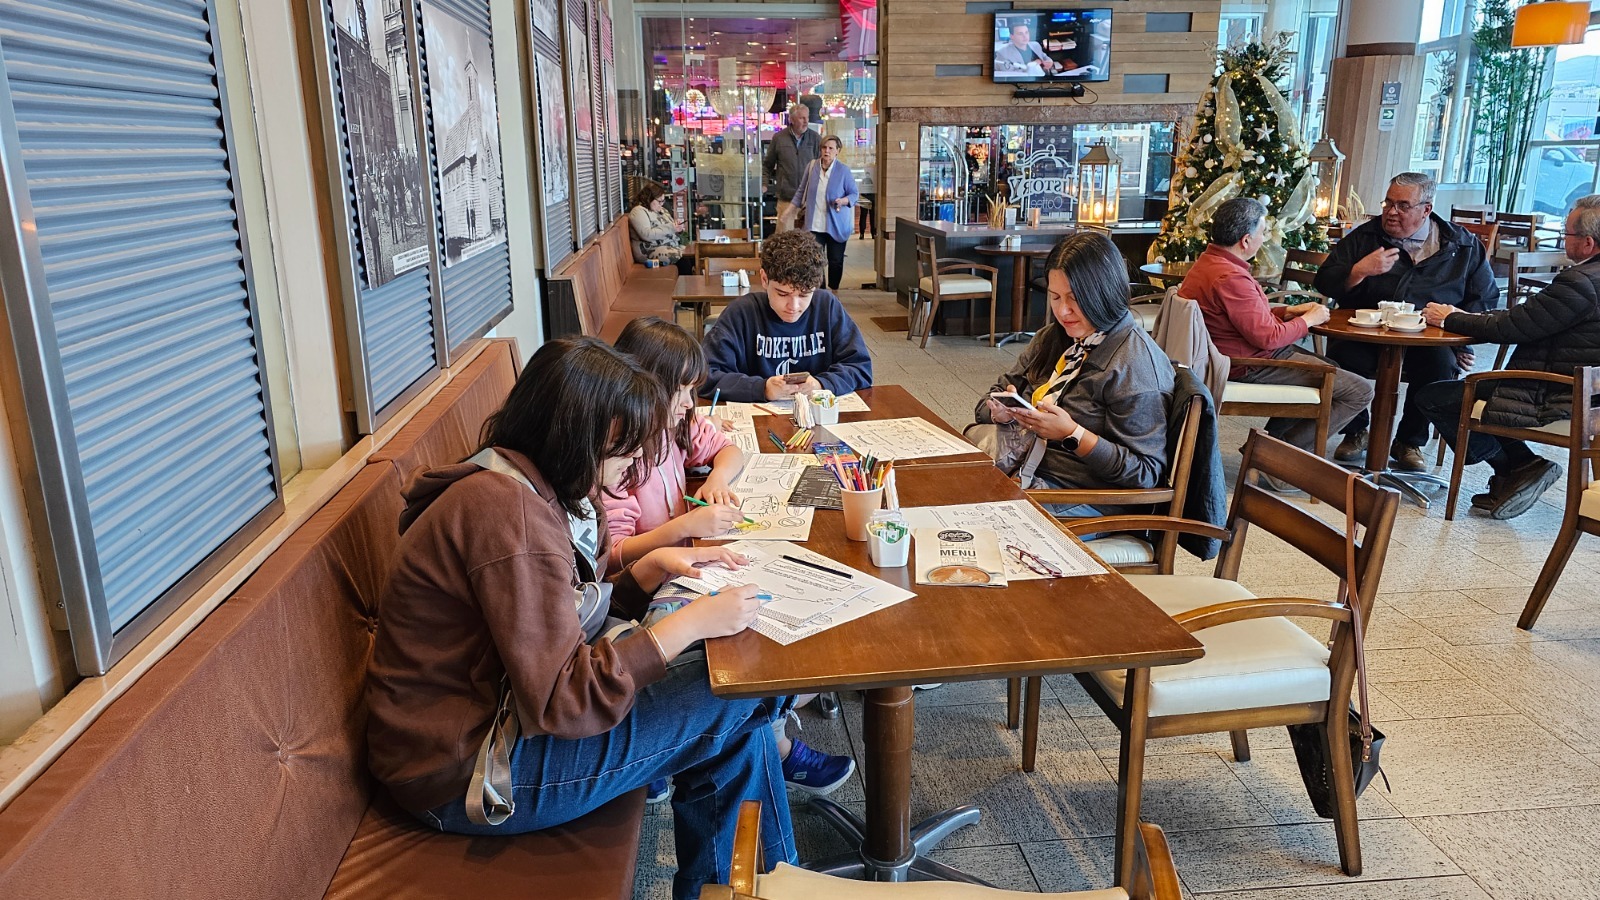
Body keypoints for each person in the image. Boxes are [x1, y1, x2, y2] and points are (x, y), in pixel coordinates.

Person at [365, 337, 795, 900]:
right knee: (736, 691)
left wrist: (648, 572)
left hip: (494, 724)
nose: (633, 470)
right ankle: (781, 884)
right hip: (466, 771)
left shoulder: (518, 483)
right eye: (625, 454)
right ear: (583, 439)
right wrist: (685, 626)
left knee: (738, 718)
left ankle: (759, 888)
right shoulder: (509, 518)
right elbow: (560, 699)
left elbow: (560, 617)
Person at [605, 317, 856, 799]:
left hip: (690, 562)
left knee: (770, 605)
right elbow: (614, 559)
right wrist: (681, 528)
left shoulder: (672, 426)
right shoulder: (624, 451)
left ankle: (760, 732)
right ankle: (764, 745)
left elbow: (728, 449)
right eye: (680, 390)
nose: (688, 403)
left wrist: (717, 479)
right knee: (740, 655)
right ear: (642, 384)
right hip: (649, 587)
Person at [1415, 194, 1600, 519]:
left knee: (1434, 396)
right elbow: (1532, 317)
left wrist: (1449, 317)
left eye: (1566, 234)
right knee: (1464, 390)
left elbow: (1513, 326)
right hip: (1587, 390)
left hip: (1552, 390)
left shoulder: (1580, 282)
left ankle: (1520, 466)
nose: (1562, 239)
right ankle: (1510, 476)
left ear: (1587, 243)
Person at [971, 232, 1174, 514]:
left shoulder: (1134, 365)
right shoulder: (1054, 339)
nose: (1063, 311)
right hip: (1025, 471)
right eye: (1055, 297)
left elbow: (1144, 474)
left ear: (1104, 293)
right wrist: (1000, 411)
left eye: (1075, 298)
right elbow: (988, 399)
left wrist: (1073, 434)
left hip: (1085, 496)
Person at [1313, 172, 1499, 471]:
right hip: (1367, 335)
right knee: (1342, 358)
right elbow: (1324, 282)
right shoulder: (1365, 238)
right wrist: (1359, 271)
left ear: (1426, 209)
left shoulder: (1461, 245)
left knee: (1441, 367)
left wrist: (1463, 335)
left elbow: (1485, 297)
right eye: (1388, 202)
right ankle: (1356, 431)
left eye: (1402, 205)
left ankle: (1408, 441)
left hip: (1427, 339)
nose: (1391, 212)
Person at [1182, 197, 1373, 466]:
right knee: (1361, 391)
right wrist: (1308, 320)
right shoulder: (1231, 277)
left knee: (1328, 365)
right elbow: (1267, 337)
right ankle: (1275, 460)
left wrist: (1286, 313)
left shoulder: (1208, 264)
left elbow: (1238, 319)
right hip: (1248, 363)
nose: (1264, 237)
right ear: (1245, 240)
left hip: (1235, 353)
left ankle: (1267, 443)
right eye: (1262, 231)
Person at [702, 230, 873, 402]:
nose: (793, 306)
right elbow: (704, 376)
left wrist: (821, 384)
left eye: (804, 295)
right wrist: (762, 388)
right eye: (782, 294)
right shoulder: (741, 314)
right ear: (764, 279)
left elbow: (861, 368)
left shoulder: (827, 307)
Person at [790, 135, 860, 292]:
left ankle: (833, 290)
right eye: (824, 148)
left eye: (830, 148)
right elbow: (801, 191)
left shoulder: (843, 171)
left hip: (836, 224)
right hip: (814, 224)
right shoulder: (812, 167)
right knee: (815, 260)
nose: (826, 151)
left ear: (837, 151)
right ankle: (820, 292)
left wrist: (843, 201)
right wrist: (790, 209)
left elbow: (854, 194)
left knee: (835, 260)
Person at [763, 104, 820, 233]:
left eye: (807, 118)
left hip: (808, 200)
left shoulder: (815, 138)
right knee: (784, 240)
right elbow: (767, 165)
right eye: (801, 118)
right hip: (786, 199)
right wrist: (764, 184)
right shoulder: (779, 138)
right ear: (792, 120)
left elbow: (822, 167)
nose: (806, 121)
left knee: (808, 242)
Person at [628, 181, 694, 274]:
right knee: (683, 260)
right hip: (650, 250)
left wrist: (677, 229)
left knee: (693, 256)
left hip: (668, 245)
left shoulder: (662, 210)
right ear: (649, 198)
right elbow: (647, 234)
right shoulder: (638, 211)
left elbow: (671, 227)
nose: (662, 204)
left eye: (663, 201)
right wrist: (671, 228)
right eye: (659, 201)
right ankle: (686, 287)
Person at [994, 22, 1061, 78]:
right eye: (1020, 33)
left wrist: (1049, 61)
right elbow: (1010, 76)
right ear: (1012, 36)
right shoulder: (1003, 53)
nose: (1025, 36)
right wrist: (1033, 64)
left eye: (1026, 32)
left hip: (1045, 80)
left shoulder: (1035, 45)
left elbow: (1044, 57)